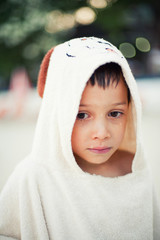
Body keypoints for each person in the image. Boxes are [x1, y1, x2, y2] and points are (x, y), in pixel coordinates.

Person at [0, 37, 159, 239]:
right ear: (57, 113)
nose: (102, 132)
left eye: (115, 113)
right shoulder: (32, 177)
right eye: (81, 115)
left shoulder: (135, 170)